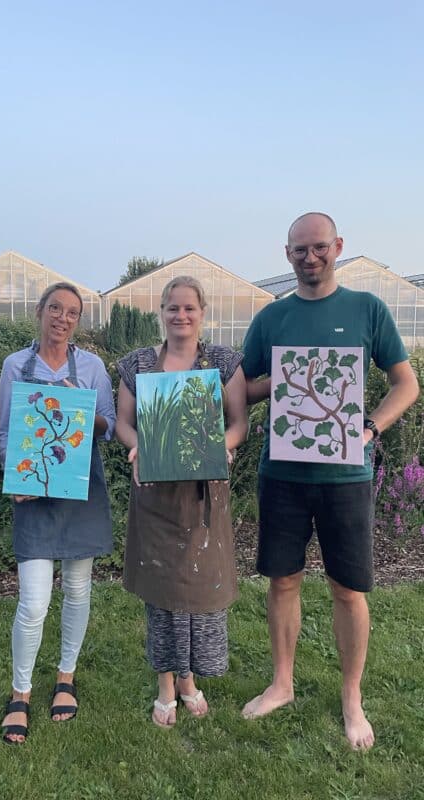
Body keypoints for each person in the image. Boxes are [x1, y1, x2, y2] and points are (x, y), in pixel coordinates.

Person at [241, 212, 420, 750]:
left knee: (348, 588)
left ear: (337, 246)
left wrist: (370, 427)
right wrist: (284, 379)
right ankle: (282, 683)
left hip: (346, 476)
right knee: (283, 581)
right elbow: (242, 387)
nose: (309, 257)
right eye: (299, 250)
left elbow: (406, 384)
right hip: (282, 474)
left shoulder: (367, 309)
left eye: (318, 246)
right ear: (287, 254)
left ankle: (351, 697)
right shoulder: (272, 318)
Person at [115, 275, 248, 728]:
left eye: (189, 307)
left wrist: (222, 446)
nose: (181, 315)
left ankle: (188, 678)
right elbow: (123, 423)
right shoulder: (138, 364)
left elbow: (239, 423)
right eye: (173, 307)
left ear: (202, 312)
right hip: (155, 495)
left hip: (203, 496)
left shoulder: (224, 363)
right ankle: (165, 684)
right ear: (161, 312)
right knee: (162, 591)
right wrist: (139, 446)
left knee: (197, 587)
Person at [0, 281, 115, 744]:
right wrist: (15, 478)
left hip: (80, 490)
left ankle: (66, 676)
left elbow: (108, 426)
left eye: (71, 312)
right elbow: (6, 431)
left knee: (78, 589)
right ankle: (20, 692)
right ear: (39, 311)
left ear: (78, 321)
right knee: (33, 602)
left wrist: (78, 407)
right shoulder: (15, 365)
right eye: (55, 308)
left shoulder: (92, 367)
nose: (62, 318)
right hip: (34, 491)